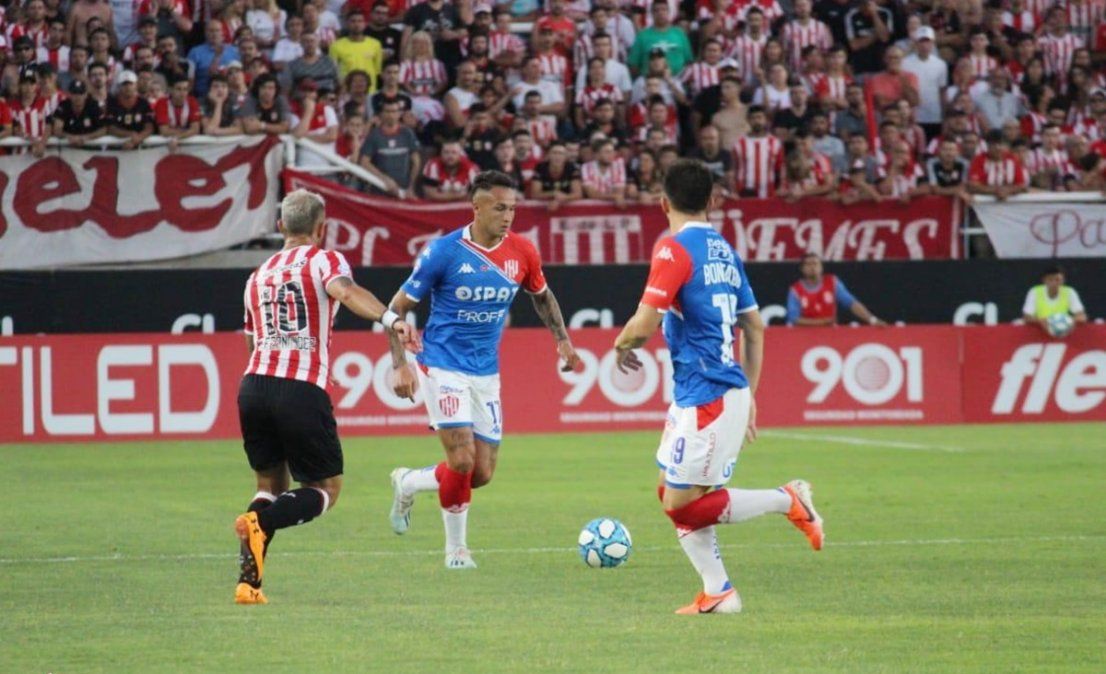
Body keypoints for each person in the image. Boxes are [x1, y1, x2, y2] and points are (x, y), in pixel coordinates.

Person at [612, 159, 823, 615]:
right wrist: (751, 396)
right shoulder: (725, 251)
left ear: (663, 202)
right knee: (669, 491)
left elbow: (643, 326)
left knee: (682, 506)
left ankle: (786, 499)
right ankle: (718, 592)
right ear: (711, 201)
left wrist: (621, 343)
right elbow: (756, 326)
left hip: (709, 393)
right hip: (709, 391)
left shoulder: (673, 250)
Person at [385, 171, 581, 569]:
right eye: (499, 208)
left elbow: (542, 297)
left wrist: (561, 338)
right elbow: (397, 307)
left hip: (485, 371)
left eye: (512, 208)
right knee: (461, 460)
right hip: (441, 363)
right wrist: (400, 364)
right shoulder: (444, 252)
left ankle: (409, 481)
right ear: (476, 207)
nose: (507, 216)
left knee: (480, 473)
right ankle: (456, 551)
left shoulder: (522, 252)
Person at [233, 189, 418, 605]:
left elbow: (251, 340)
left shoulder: (256, 276)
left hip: (253, 386)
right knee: (325, 489)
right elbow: (347, 292)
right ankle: (258, 522)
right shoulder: (324, 259)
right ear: (322, 228)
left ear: (280, 227)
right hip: (299, 386)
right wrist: (391, 318)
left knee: (269, 483)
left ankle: (249, 584)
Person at [787, 253, 886, 326]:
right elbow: (794, 319)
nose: (813, 267)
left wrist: (872, 320)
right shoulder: (795, 290)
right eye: (808, 264)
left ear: (821, 267)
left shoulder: (832, 282)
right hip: (804, 336)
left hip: (830, 334)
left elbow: (851, 303)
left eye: (815, 264)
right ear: (802, 269)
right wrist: (823, 322)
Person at [1022, 266, 1088, 335]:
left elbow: (1082, 317)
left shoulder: (1069, 292)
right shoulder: (1035, 291)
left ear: (1063, 280)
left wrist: (1067, 321)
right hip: (1038, 332)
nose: (1054, 283)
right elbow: (1027, 317)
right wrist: (1043, 321)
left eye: (1057, 280)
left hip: (1063, 332)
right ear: (1044, 280)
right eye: (1050, 280)